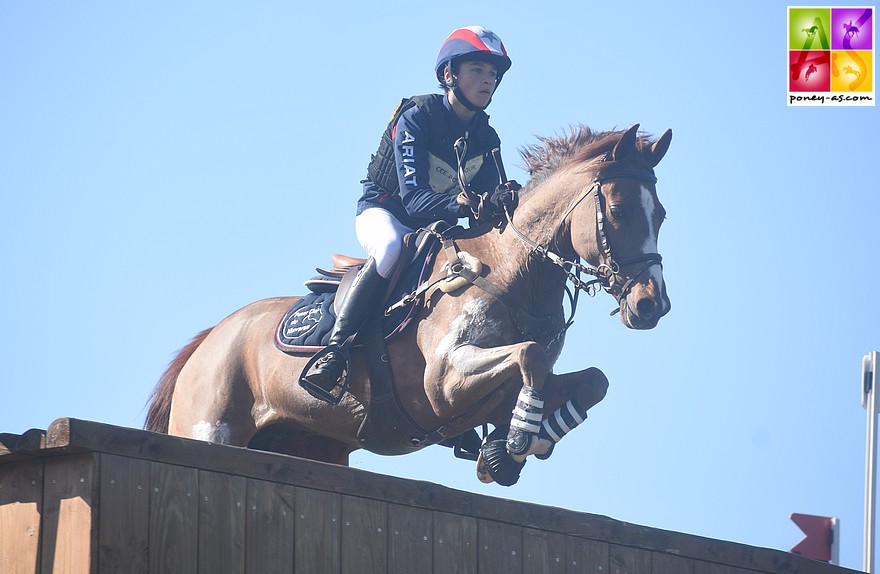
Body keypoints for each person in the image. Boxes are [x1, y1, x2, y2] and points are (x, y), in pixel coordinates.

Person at [301, 25, 514, 401]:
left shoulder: (487, 137)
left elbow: (489, 212)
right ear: (450, 74)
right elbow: (414, 199)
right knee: (390, 248)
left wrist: (505, 203)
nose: (487, 80)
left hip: (437, 229)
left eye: (492, 74)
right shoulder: (417, 116)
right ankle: (333, 353)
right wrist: (466, 204)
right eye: (478, 70)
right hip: (386, 211)